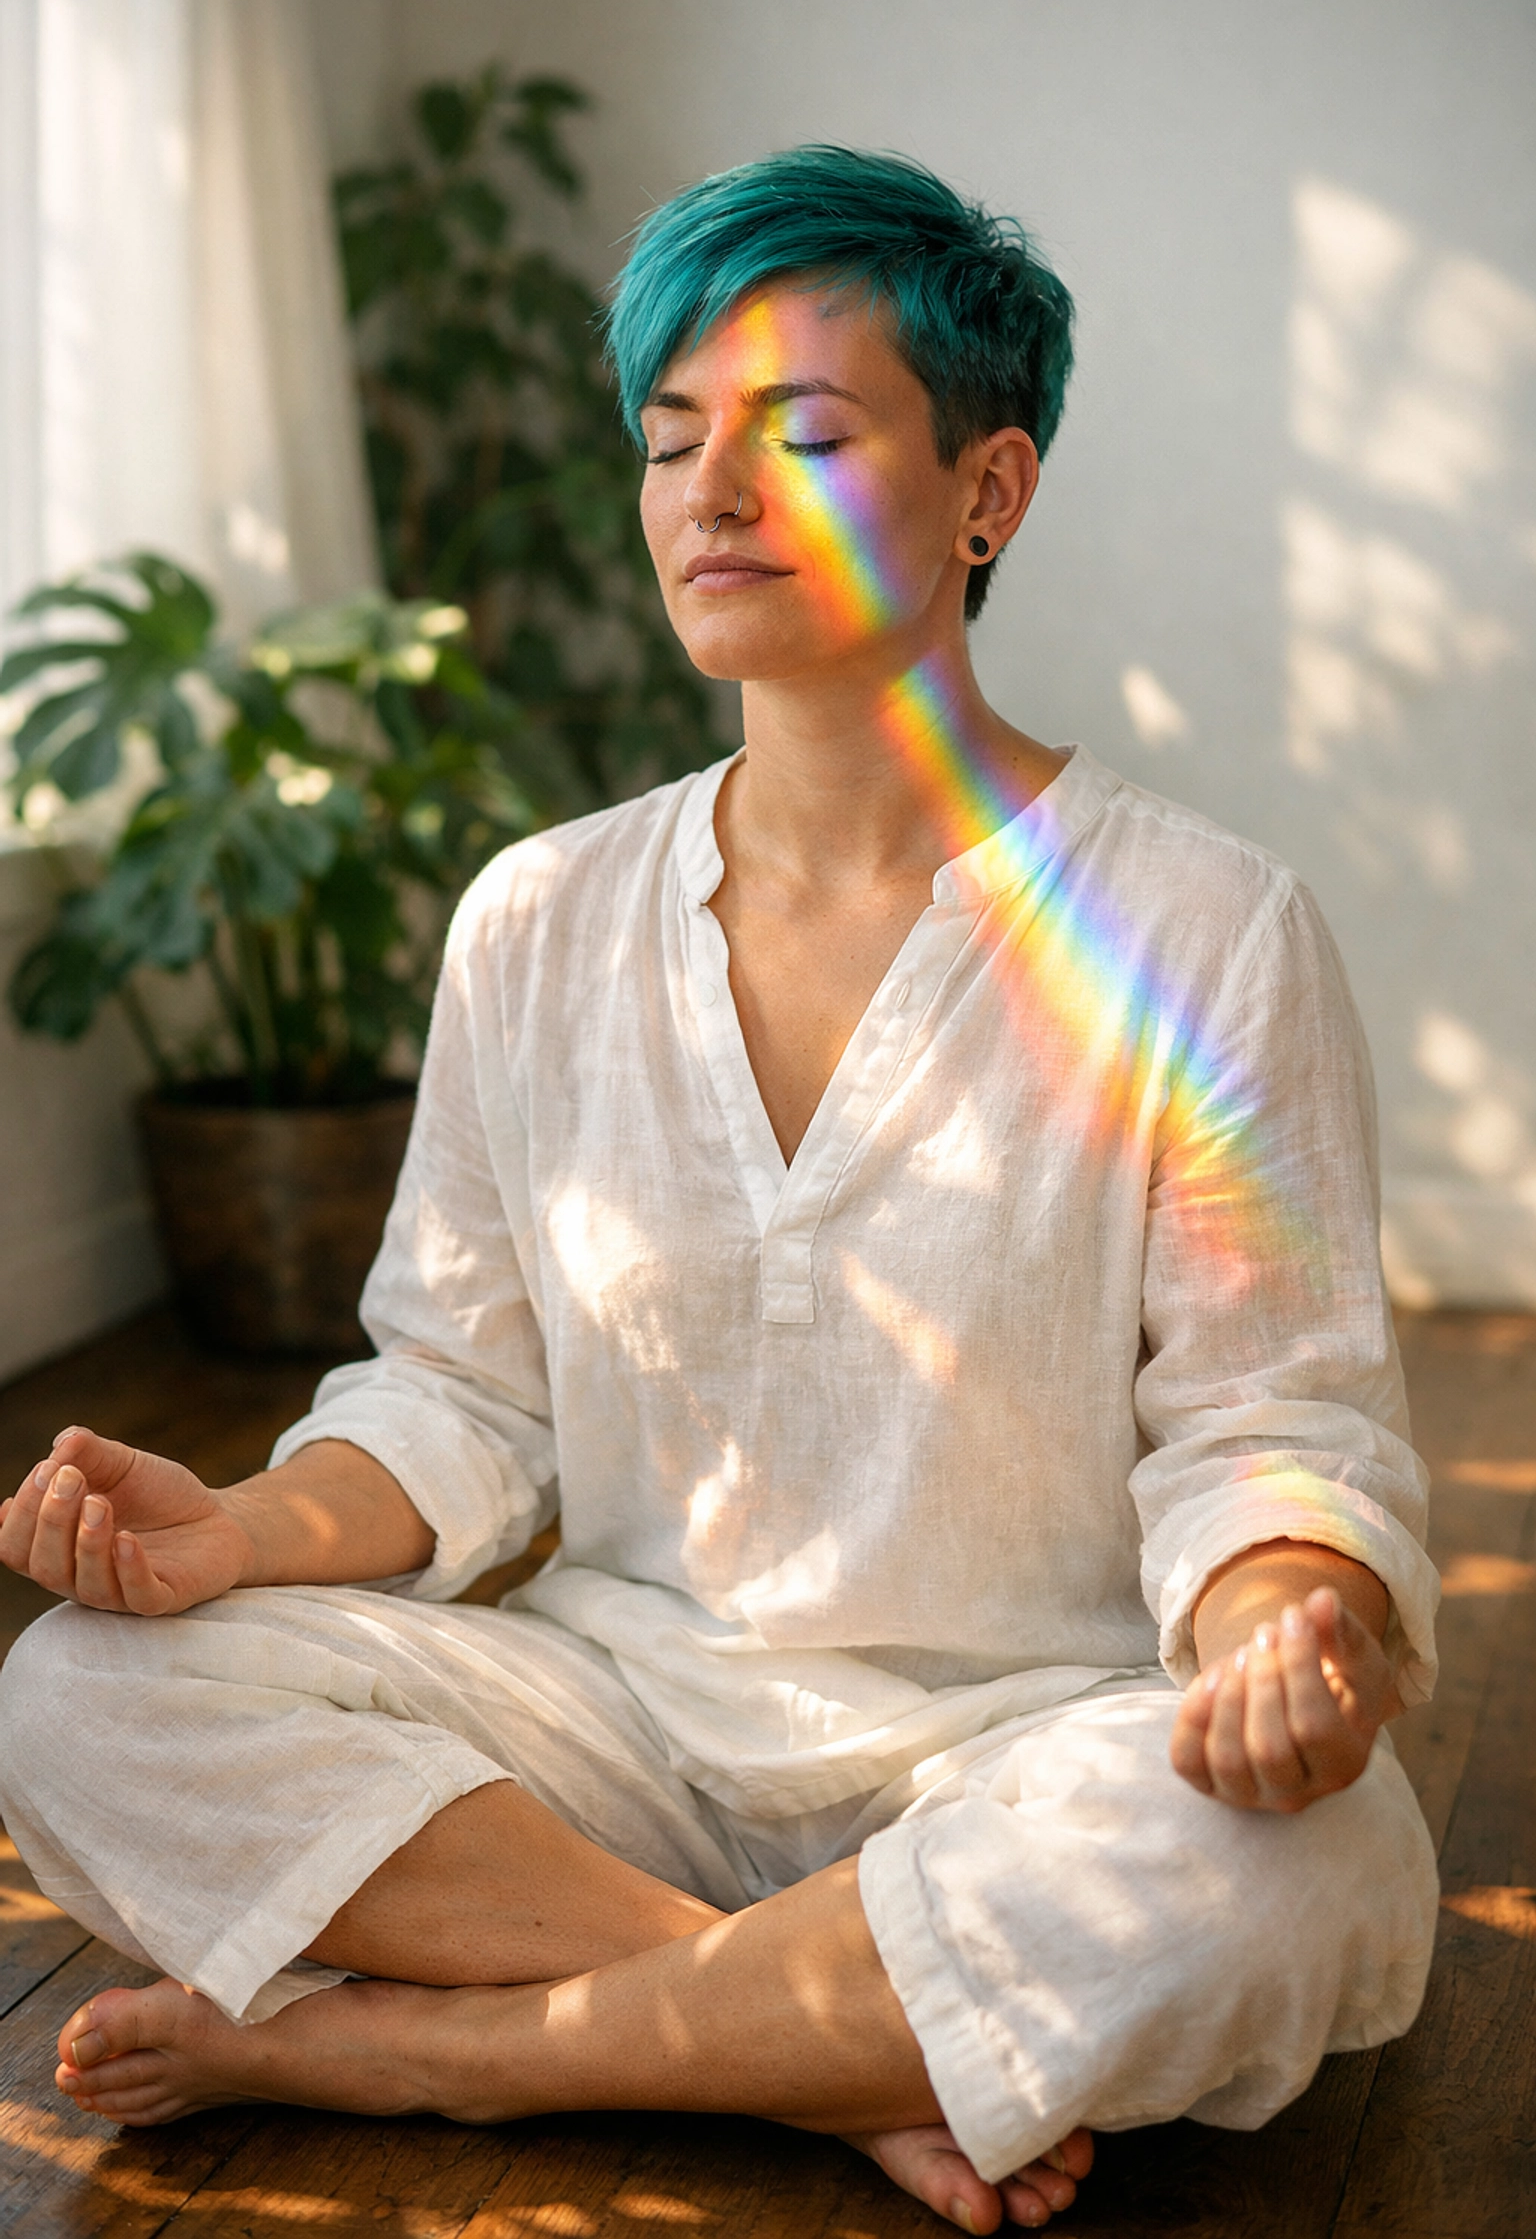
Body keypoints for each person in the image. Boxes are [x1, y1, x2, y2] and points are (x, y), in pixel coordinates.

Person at [0, 147, 1438, 2237]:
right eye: (671, 442)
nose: (706, 496)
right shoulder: (542, 915)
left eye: (802, 435)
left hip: (1025, 1739)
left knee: (1309, 1858)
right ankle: (819, 2050)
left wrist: (1281, 1629)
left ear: (989, 491)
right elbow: (458, 1398)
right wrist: (231, 1534)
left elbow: (1269, 1421)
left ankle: (430, 2051)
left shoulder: (1209, 927)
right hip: (616, 1718)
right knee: (83, 1692)